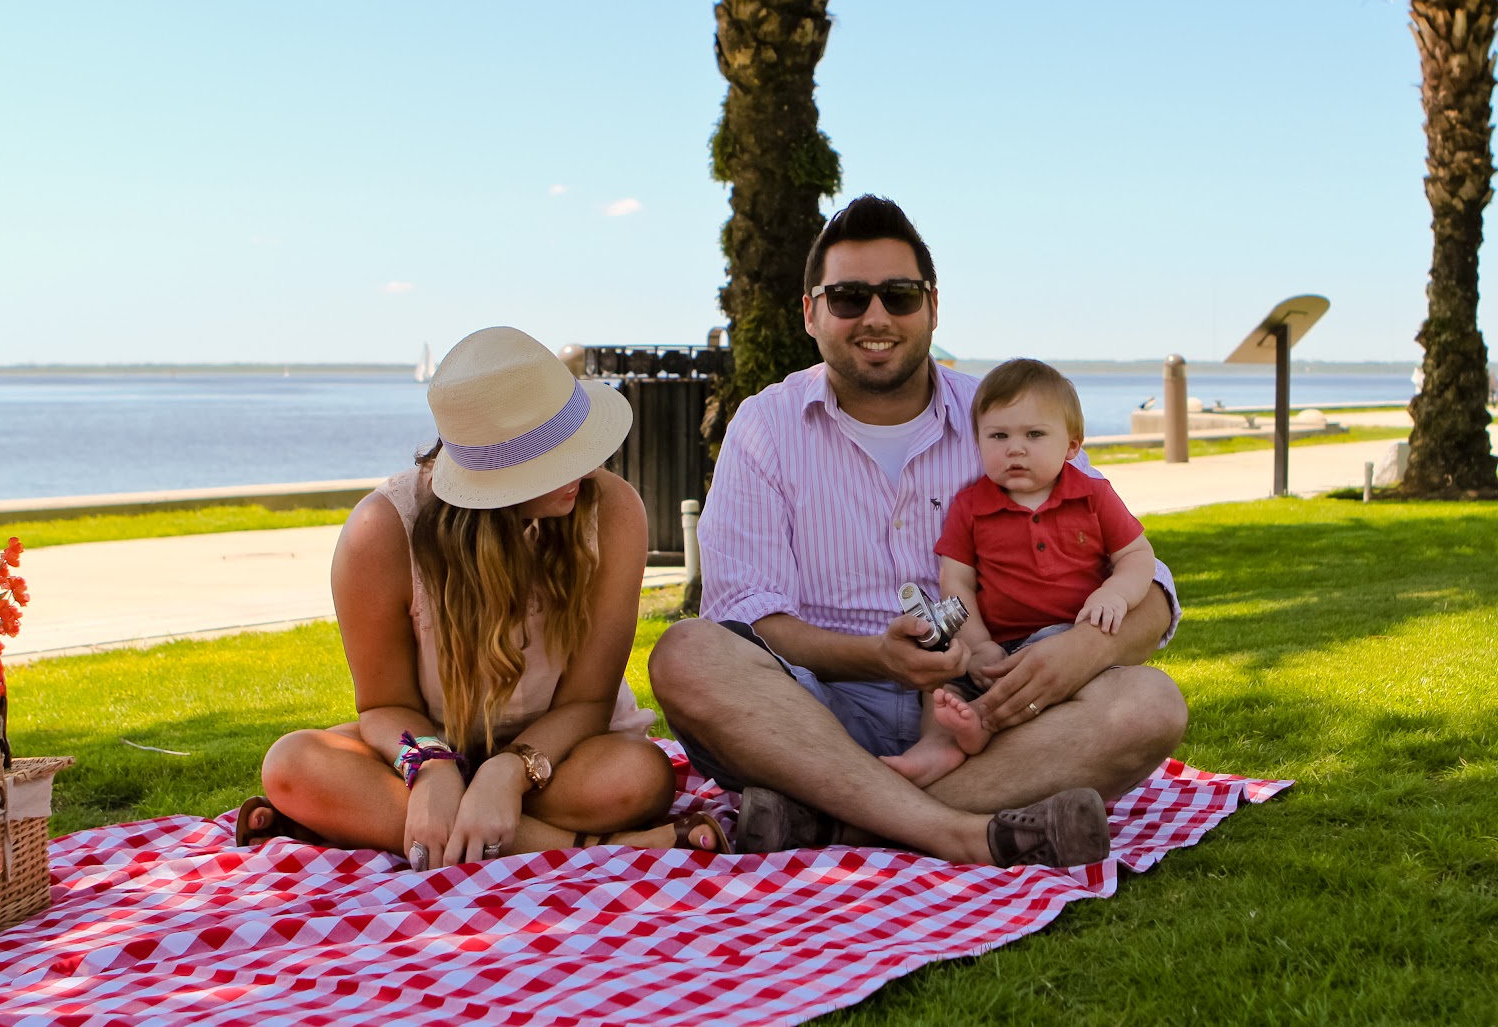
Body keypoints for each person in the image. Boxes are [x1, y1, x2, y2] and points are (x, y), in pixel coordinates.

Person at [649, 195, 1189, 868]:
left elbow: (1151, 590)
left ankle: (834, 823)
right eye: (849, 297)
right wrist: (877, 657)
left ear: (933, 307)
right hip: (813, 713)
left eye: (899, 295)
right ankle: (953, 828)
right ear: (811, 313)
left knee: (1149, 704)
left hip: (989, 711)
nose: (876, 317)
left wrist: (1078, 654)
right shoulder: (765, 426)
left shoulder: (1003, 415)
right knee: (687, 653)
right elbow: (749, 618)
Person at [240, 326, 729, 868]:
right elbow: (383, 706)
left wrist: (508, 771)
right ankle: (595, 849)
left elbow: (588, 703)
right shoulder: (382, 533)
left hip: (561, 757)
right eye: (557, 458)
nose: (586, 467)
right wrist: (432, 769)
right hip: (430, 745)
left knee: (639, 777)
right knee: (291, 764)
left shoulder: (613, 512)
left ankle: (380, 825)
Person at [881, 358, 1157, 788]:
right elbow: (956, 583)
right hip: (995, 646)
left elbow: (1137, 556)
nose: (1015, 448)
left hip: (1066, 638)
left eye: (1034, 435)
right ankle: (937, 744)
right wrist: (978, 646)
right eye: (998, 436)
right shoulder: (970, 506)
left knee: (1086, 689)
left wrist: (1114, 594)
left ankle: (983, 722)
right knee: (943, 680)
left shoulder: (1093, 496)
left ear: (1071, 446)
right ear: (978, 442)